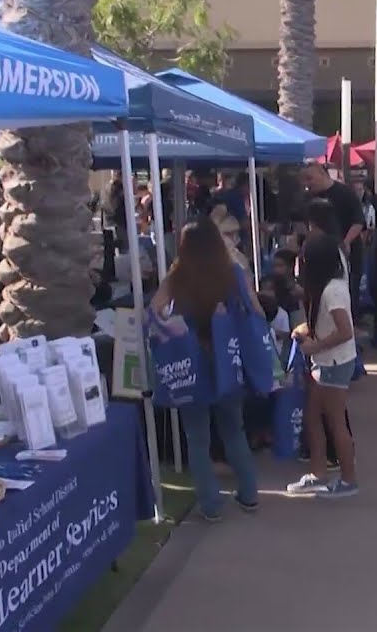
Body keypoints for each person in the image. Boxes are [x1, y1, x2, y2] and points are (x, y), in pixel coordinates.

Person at [151, 217, 260, 522]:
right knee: (233, 430)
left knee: (196, 438)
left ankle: (211, 504)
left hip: (191, 362)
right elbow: (254, 309)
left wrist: (174, 327)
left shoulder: (177, 276)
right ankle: (249, 493)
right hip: (228, 359)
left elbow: (154, 311)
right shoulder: (232, 272)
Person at [284, 234, 360, 498]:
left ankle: (348, 480)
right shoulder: (328, 287)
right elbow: (326, 324)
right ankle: (318, 474)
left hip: (333, 363)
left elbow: (345, 331)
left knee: (336, 422)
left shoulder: (332, 290)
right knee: (313, 417)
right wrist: (306, 331)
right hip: (326, 362)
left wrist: (314, 346)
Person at [300, 163, 366, 313]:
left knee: (347, 289)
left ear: (322, 174)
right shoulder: (308, 197)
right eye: (304, 180)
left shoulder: (345, 193)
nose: (307, 184)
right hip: (320, 254)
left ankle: (350, 324)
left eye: (310, 178)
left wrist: (346, 242)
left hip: (346, 252)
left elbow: (358, 222)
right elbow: (305, 224)